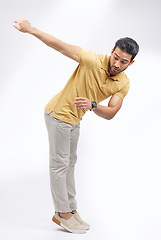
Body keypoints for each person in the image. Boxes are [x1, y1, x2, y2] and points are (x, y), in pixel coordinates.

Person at [13, 17, 139, 234]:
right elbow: (60, 46)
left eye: (123, 61)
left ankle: (71, 209)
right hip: (58, 114)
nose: (117, 64)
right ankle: (61, 213)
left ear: (131, 63)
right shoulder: (92, 60)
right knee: (60, 165)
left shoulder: (123, 83)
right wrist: (31, 29)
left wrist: (92, 105)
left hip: (74, 119)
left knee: (70, 163)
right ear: (112, 51)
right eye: (115, 57)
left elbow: (111, 113)